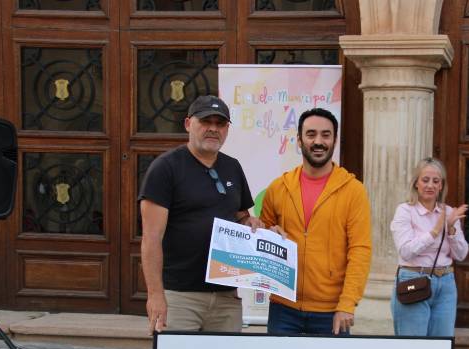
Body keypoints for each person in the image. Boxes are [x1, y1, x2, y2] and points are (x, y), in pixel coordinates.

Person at [139, 95, 262, 334]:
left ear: (227, 129)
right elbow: (151, 239)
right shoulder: (165, 168)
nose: (213, 128)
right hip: (180, 298)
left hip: (226, 297)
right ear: (188, 124)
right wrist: (155, 296)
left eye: (220, 123)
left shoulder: (232, 167)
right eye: (206, 121)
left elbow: (241, 215)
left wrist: (251, 222)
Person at [260, 108, 371, 335]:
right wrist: (268, 232)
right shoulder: (278, 188)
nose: (318, 141)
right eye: (311, 134)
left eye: (325, 135)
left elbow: (360, 250)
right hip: (283, 308)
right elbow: (260, 238)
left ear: (335, 140)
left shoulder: (354, 191)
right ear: (299, 140)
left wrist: (347, 303)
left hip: (332, 311)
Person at [390, 157, 468, 336]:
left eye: (436, 181)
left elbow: (461, 254)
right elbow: (406, 251)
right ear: (416, 183)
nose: (430, 185)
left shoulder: (449, 212)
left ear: (441, 186)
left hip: (446, 283)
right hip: (413, 279)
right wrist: (435, 231)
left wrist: (451, 229)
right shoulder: (405, 211)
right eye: (425, 180)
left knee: (441, 345)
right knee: (413, 346)